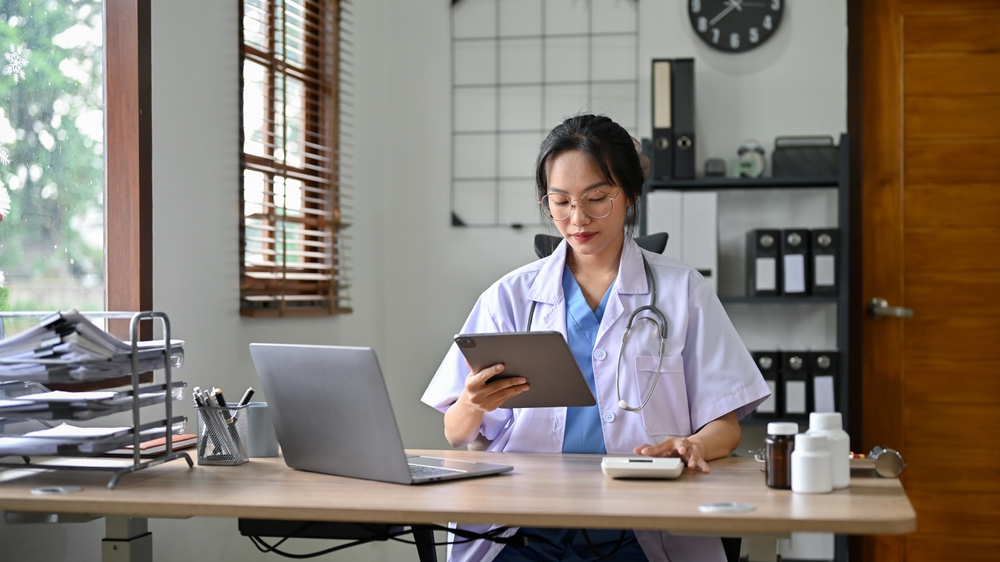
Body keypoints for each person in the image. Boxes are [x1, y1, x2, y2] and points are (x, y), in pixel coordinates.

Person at [421, 114, 771, 562]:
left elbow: (727, 425)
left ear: (631, 195)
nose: (577, 218)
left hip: (639, 525)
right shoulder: (508, 297)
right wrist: (471, 402)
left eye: (597, 198)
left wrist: (693, 445)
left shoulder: (683, 292)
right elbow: (455, 434)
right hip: (522, 526)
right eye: (560, 201)